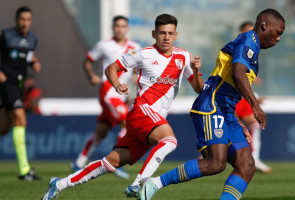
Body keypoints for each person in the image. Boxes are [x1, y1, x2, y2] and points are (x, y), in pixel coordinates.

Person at [42, 13, 203, 200]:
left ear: (176, 35)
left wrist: (197, 72)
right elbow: (111, 68)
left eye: (170, 33)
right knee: (170, 141)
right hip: (142, 111)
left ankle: (59, 184)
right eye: (162, 33)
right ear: (154, 34)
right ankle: (139, 183)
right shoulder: (144, 54)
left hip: (152, 122)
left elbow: (198, 88)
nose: (166, 37)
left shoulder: (184, 57)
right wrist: (117, 84)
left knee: (110, 163)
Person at [139, 8, 285, 200]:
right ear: (264, 26)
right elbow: (238, 73)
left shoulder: (253, 49)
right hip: (210, 107)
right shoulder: (247, 40)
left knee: (246, 165)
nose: (278, 39)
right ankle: (153, 183)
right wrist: (256, 107)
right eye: (278, 33)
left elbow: (230, 88)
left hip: (225, 112)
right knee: (216, 163)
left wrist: (237, 119)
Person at [70, 15, 141, 179]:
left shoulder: (135, 46)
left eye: (123, 26)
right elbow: (87, 60)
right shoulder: (104, 45)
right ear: (113, 28)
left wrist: (135, 76)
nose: (119, 29)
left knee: (101, 131)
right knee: (127, 123)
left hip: (122, 95)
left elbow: (136, 67)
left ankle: (78, 162)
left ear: (127, 28)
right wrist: (91, 76)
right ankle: (117, 161)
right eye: (117, 26)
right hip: (108, 92)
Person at [0, 6, 41, 181]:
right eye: (22, 19)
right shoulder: (5, 35)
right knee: (20, 118)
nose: (25, 23)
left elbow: (29, 56)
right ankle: (24, 170)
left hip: (18, 85)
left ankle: (24, 170)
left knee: (4, 127)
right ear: (16, 20)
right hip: (5, 82)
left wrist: (35, 62)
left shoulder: (32, 39)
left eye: (28, 19)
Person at [236, 21, 271, 173]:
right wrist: (255, 99)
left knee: (249, 124)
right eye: (247, 32)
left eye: (253, 32)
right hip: (232, 95)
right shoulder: (239, 47)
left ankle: (253, 158)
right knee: (254, 121)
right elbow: (237, 76)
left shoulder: (251, 50)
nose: (251, 35)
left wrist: (255, 97)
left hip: (237, 96)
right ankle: (253, 158)